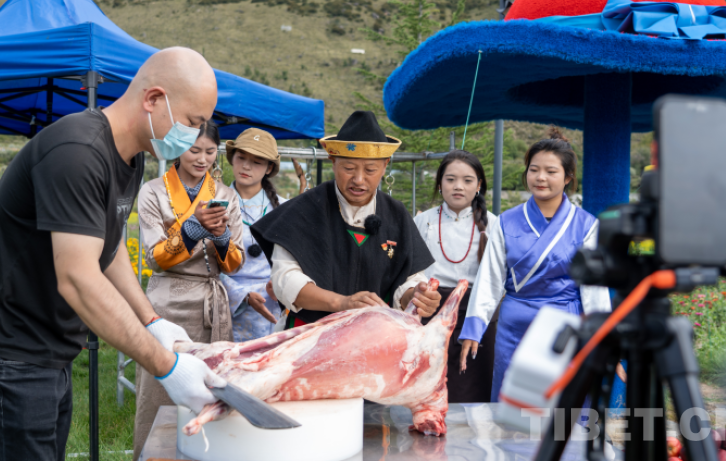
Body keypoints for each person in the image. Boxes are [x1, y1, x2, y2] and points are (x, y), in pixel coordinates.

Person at [0, 47, 227, 461]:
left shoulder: (128, 159)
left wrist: (152, 320)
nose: (195, 135)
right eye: (191, 122)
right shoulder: (77, 152)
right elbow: (79, 277)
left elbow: (106, 247)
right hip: (5, 353)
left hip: (48, 350)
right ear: (153, 99)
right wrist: (165, 366)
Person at [457, 127, 612, 402]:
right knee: (513, 414)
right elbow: (490, 281)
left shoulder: (586, 225)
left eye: (551, 172)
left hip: (566, 329)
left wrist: (604, 341)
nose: (541, 177)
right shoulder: (506, 221)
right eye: (534, 169)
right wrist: (474, 328)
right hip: (516, 327)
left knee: (565, 414)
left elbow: (594, 289)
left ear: (567, 178)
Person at [251, 110, 441, 325]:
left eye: (370, 170)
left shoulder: (396, 215)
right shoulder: (304, 210)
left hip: (375, 338)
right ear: (333, 161)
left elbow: (407, 280)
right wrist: (341, 303)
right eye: (348, 168)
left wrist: (417, 296)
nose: (358, 179)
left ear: (385, 164)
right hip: (309, 337)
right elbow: (285, 279)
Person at [133, 123, 245, 456]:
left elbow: (235, 263)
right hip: (166, 302)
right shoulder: (152, 191)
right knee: (157, 390)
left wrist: (223, 239)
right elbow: (155, 258)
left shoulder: (226, 195)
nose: (202, 159)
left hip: (211, 302)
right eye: (194, 150)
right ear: (178, 149)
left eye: (210, 152)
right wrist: (193, 229)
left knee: (208, 389)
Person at [412, 150, 498, 403]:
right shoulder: (422, 221)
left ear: (479, 185)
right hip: (430, 310)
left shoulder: (493, 224)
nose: (458, 186)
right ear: (439, 183)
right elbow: (411, 271)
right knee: (428, 385)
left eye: (468, 180)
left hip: (476, 314)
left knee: (473, 386)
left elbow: (498, 280)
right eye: (450, 179)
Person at [221, 128, 288, 342]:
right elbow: (203, 264)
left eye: (257, 162)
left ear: (269, 168)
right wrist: (242, 296)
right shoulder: (214, 205)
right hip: (226, 304)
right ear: (232, 158)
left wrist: (281, 286)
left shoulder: (285, 209)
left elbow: (294, 262)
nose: (246, 166)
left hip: (273, 304)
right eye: (241, 158)